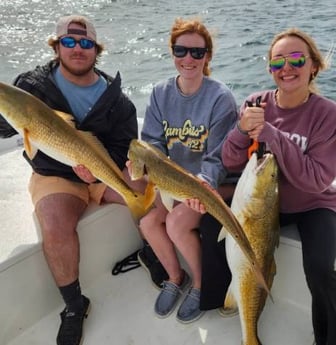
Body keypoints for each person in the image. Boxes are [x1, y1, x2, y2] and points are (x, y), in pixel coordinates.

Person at [0, 15, 146, 345]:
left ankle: (152, 250)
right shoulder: (31, 86)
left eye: (85, 43)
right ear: (57, 46)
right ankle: (74, 305)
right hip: (55, 176)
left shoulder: (116, 98)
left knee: (150, 191)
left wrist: (96, 172)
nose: (77, 49)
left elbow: (122, 148)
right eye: (69, 42)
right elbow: (5, 128)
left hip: (99, 170)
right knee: (54, 223)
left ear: (96, 49)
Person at [189, 28, 336, 345]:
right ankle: (224, 301)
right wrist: (242, 129)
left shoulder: (327, 114)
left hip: (312, 203)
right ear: (270, 68)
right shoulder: (255, 102)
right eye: (278, 62)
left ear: (313, 66)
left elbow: (316, 179)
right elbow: (229, 159)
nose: (287, 68)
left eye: (297, 59)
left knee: (321, 267)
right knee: (210, 221)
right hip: (260, 204)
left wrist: (273, 134)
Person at [135, 17, 238, 324]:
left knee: (178, 222)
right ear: (172, 52)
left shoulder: (221, 98)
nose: (189, 59)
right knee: (149, 223)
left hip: (216, 184)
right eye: (182, 50)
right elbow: (152, 143)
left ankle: (203, 285)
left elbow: (218, 159)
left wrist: (202, 185)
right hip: (174, 184)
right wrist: (144, 169)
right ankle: (174, 276)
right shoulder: (159, 93)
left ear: (207, 56)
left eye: (197, 52)